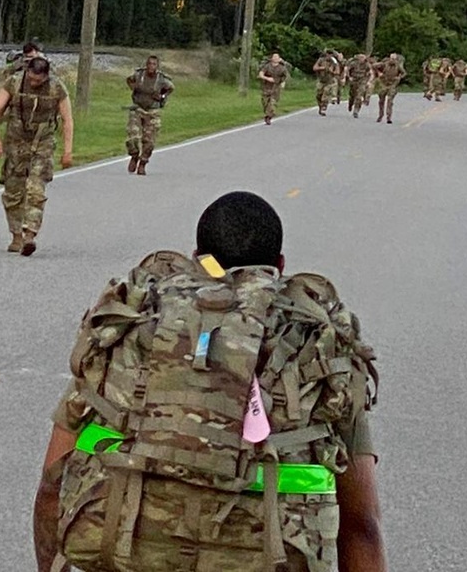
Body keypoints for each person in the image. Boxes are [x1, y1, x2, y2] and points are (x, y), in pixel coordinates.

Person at [32, 190, 387, 572]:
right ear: (279, 267)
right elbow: (360, 526)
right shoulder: (311, 343)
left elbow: (53, 484)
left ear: (197, 259)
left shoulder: (134, 330)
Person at [0, 56, 73, 254]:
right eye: (31, 79)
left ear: (46, 76)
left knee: (35, 190)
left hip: (42, 144)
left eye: (38, 81)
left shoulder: (56, 88)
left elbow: (68, 120)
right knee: (13, 193)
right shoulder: (15, 82)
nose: (34, 83)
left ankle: (29, 235)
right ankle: (16, 235)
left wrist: (67, 151)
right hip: (16, 144)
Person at [125, 55, 174, 176]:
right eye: (149, 64)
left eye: (154, 64)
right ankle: (134, 156)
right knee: (133, 137)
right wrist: (133, 88)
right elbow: (129, 80)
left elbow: (171, 88)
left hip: (152, 111)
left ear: (157, 66)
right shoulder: (139, 75)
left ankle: (142, 163)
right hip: (138, 108)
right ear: (146, 65)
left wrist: (162, 96)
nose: (151, 67)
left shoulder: (161, 79)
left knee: (149, 141)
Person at [257, 50, 289, 124]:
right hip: (266, 87)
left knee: (272, 103)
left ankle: (269, 116)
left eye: (277, 57)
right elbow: (261, 73)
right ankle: (267, 114)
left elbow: (285, 76)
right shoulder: (267, 66)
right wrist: (267, 78)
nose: (275, 58)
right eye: (274, 57)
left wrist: (283, 82)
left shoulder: (282, 68)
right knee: (265, 102)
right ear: (271, 58)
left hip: (276, 88)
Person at [374, 53, 405, 125]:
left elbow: (404, 73)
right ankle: (380, 115)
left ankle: (389, 117)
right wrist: (379, 73)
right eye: (391, 58)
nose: (392, 60)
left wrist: (399, 77)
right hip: (384, 84)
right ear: (389, 58)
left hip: (392, 85)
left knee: (390, 101)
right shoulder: (384, 64)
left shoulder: (398, 66)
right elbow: (374, 66)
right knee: (381, 101)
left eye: (394, 59)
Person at [313, 50, 341, 117]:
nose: (329, 56)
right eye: (328, 55)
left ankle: (324, 108)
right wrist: (321, 68)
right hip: (321, 80)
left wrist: (332, 71)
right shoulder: (321, 60)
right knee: (318, 95)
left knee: (326, 94)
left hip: (330, 81)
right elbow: (314, 68)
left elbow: (337, 72)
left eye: (331, 55)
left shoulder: (334, 62)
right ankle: (320, 106)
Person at [346, 51, 374, 118]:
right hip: (354, 80)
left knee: (359, 96)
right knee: (352, 95)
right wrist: (349, 77)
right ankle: (350, 104)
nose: (362, 59)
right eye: (360, 57)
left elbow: (371, 73)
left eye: (363, 57)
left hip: (362, 81)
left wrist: (369, 81)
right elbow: (347, 70)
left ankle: (356, 110)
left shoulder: (367, 65)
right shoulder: (353, 63)